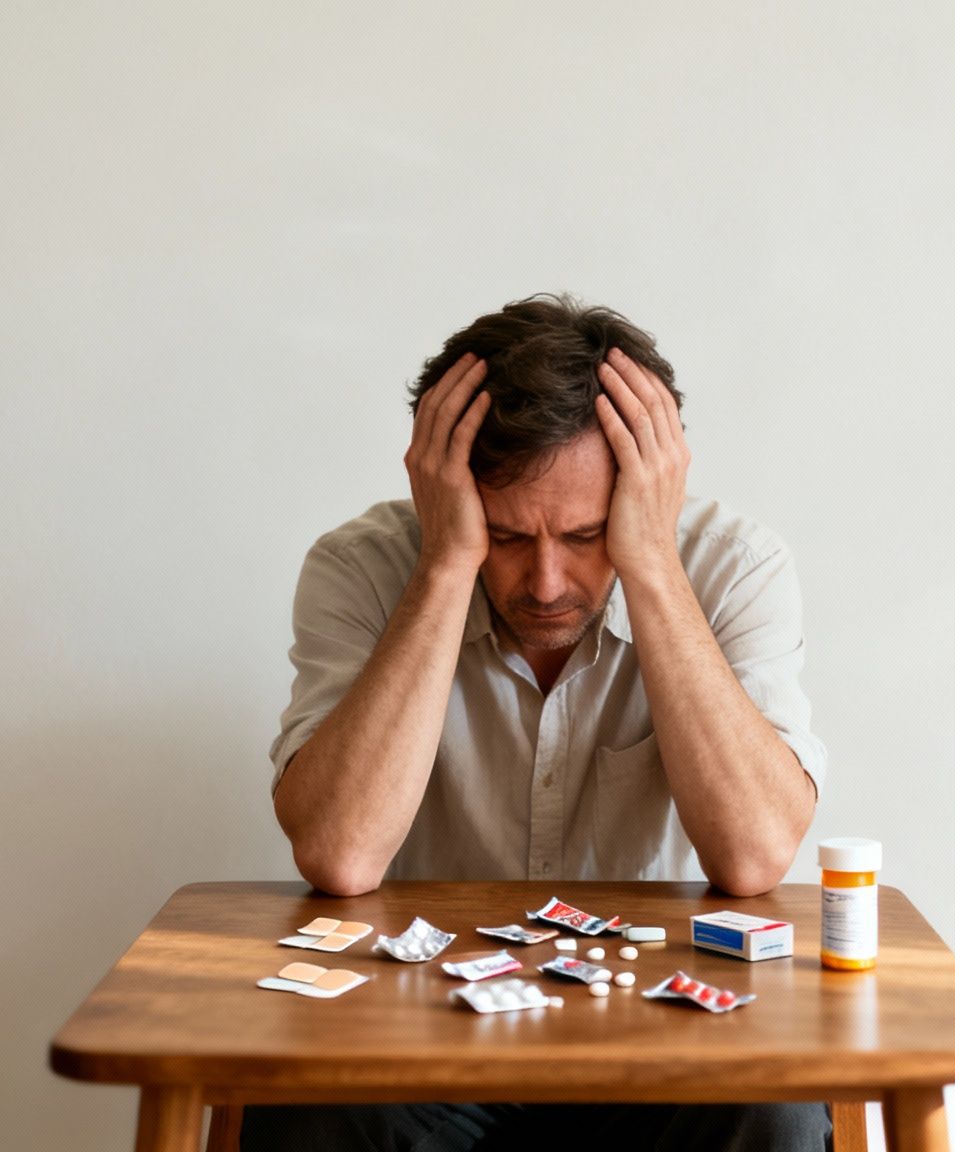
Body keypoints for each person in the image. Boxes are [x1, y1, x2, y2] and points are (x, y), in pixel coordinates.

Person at [250, 293, 831, 1151]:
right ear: (447, 495)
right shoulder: (362, 569)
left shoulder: (736, 567)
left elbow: (753, 855)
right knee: (316, 1111)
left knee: (773, 1113)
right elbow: (340, 854)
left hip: (663, 1029)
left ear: (652, 487)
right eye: (509, 536)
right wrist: (451, 563)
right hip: (426, 1031)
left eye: (588, 533)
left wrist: (652, 567)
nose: (549, 583)